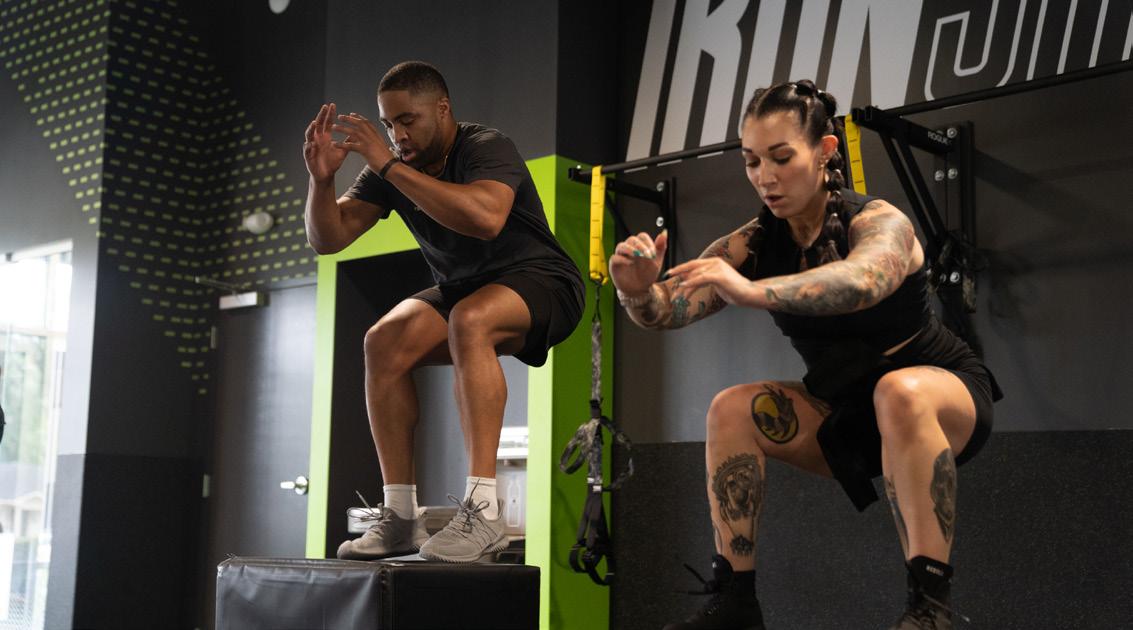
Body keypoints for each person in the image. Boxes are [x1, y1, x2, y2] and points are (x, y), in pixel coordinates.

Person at [609, 80, 1001, 629]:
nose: (765, 177)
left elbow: (863, 281)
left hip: (941, 395)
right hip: (848, 416)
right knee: (730, 409)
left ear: (824, 151)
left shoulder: (879, 222)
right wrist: (634, 289)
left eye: (781, 157)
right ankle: (735, 605)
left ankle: (929, 611)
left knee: (898, 391)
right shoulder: (752, 242)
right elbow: (665, 310)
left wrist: (753, 291)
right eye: (751, 162)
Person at [303, 61, 583, 563]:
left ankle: (484, 512)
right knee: (382, 341)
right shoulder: (390, 168)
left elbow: (485, 218)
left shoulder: (485, 145)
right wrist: (321, 182)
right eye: (388, 124)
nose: (397, 135)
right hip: (464, 289)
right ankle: (400, 517)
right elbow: (330, 238)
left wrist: (389, 166)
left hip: (544, 281)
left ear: (442, 108)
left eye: (407, 120)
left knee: (470, 319)